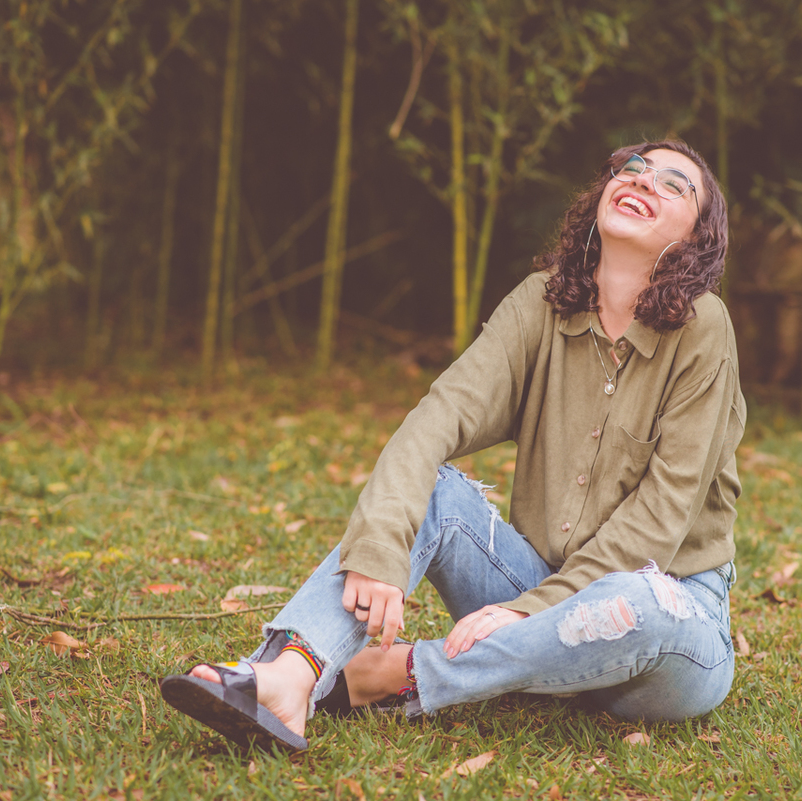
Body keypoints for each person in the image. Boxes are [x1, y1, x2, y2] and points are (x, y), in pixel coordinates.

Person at [161, 139, 745, 753]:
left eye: (673, 184)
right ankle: (289, 676)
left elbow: (661, 517)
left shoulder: (705, 328)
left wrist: (529, 611)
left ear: (696, 238)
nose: (645, 180)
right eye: (633, 168)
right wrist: (381, 542)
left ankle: (395, 675)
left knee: (634, 601)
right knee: (438, 493)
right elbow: (439, 418)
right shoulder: (541, 302)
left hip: (666, 627)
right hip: (534, 598)